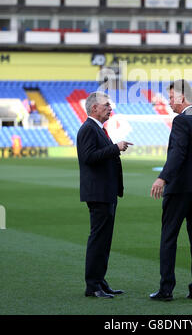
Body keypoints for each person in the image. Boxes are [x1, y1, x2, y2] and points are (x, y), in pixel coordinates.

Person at [150, 80, 192, 301]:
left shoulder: (181, 121)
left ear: (182, 97)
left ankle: (166, 289)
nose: (168, 103)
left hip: (179, 189)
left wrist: (162, 178)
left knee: (169, 237)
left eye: (170, 98)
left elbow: (177, 153)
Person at [76, 91, 133, 298]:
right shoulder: (88, 129)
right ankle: (92, 285)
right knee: (98, 239)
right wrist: (115, 148)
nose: (110, 108)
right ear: (94, 108)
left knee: (104, 240)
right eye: (106, 105)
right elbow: (88, 157)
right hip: (98, 193)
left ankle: (100, 281)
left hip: (105, 192)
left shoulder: (98, 129)